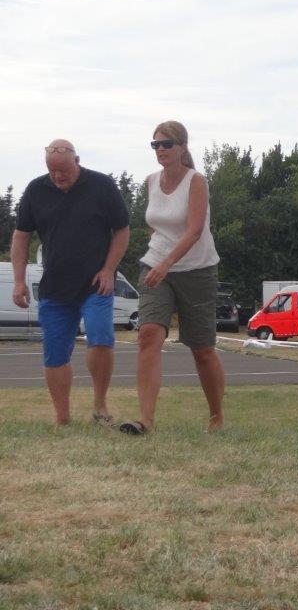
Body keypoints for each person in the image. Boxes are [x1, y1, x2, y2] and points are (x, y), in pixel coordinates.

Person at [10, 141, 129, 426]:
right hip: (55, 286)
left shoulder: (102, 185)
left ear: (77, 160)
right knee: (54, 352)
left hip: (96, 283)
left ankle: (100, 407)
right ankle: (62, 417)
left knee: (100, 338)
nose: (57, 176)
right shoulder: (36, 190)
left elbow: (122, 230)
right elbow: (21, 236)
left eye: (63, 170)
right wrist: (18, 281)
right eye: (52, 170)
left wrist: (109, 269)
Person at [120, 121, 225, 434]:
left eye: (167, 144)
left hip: (197, 270)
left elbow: (194, 231)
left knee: (202, 349)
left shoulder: (197, 181)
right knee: (148, 335)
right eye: (156, 145)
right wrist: (160, 260)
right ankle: (145, 421)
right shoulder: (151, 181)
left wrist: (167, 263)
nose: (161, 150)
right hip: (155, 267)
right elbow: (156, 224)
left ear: (182, 147)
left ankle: (216, 416)